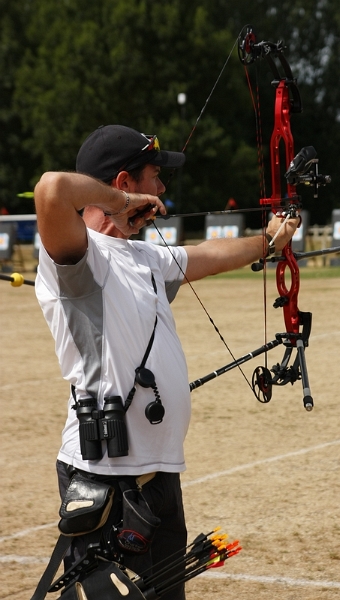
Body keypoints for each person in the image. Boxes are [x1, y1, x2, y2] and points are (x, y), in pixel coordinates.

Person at [34, 124, 298, 600]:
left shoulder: (144, 258)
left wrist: (269, 240)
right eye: (155, 176)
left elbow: (209, 254)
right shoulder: (77, 261)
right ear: (124, 182)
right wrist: (119, 202)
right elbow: (52, 189)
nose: (160, 188)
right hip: (106, 480)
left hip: (158, 478)